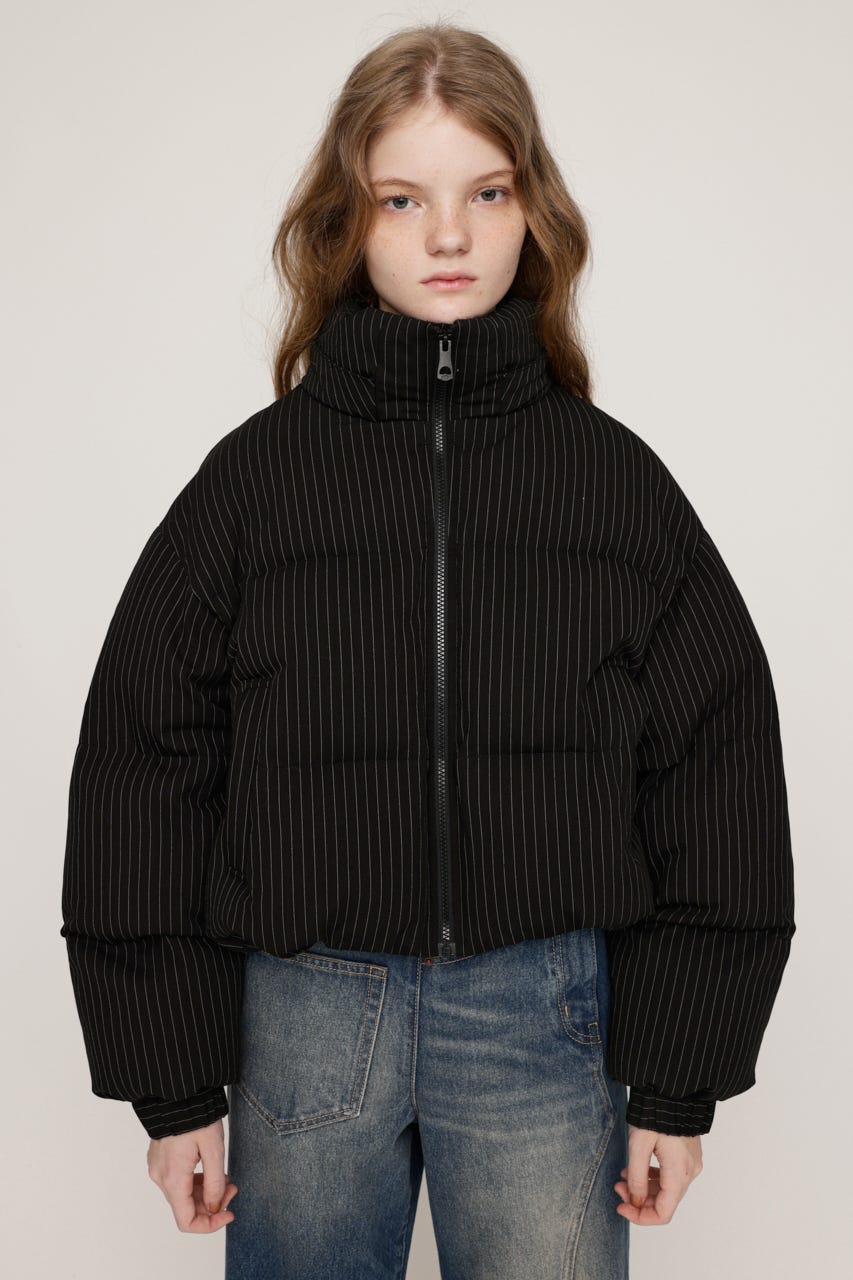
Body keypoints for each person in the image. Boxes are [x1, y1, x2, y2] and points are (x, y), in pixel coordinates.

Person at [59, 19, 796, 1279]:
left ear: (533, 210)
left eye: (485, 193)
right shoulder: (255, 486)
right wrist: (172, 1085)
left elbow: (716, 770)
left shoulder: (610, 485)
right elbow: (145, 765)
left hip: (539, 1018)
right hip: (307, 1015)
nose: (447, 235)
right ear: (345, 220)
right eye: (401, 198)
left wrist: (677, 1081)